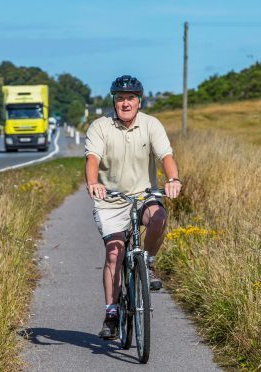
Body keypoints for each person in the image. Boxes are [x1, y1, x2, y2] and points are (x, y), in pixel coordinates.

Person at [85, 75, 182, 340]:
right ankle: (112, 312)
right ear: (113, 102)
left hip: (143, 195)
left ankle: (148, 262)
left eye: (130, 98)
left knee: (159, 216)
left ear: (139, 101)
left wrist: (172, 179)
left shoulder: (151, 124)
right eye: (120, 99)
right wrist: (93, 183)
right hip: (111, 199)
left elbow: (166, 156)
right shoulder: (100, 126)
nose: (125, 103)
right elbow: (92, 158)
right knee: (115, 253)